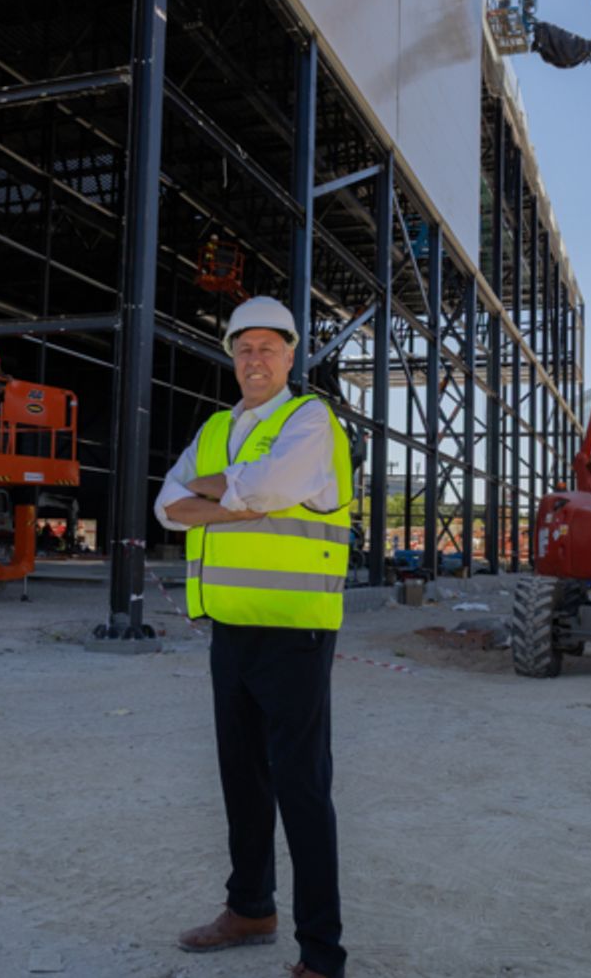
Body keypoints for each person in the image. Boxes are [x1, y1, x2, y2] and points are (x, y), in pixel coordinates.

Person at [154, 296, 352, 978]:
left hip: (295, 634)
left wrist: (214, 499)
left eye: (269, 347)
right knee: (241, 779)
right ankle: (251, 908)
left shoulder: (311, 421)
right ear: (231, 357)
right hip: (229, 630)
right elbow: (166, 504)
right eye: (244, 348)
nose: (255, 359)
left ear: (292, 355)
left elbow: (270, 490)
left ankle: (321, 955)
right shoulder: (215, 427)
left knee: (301, 788)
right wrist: (231, 496)